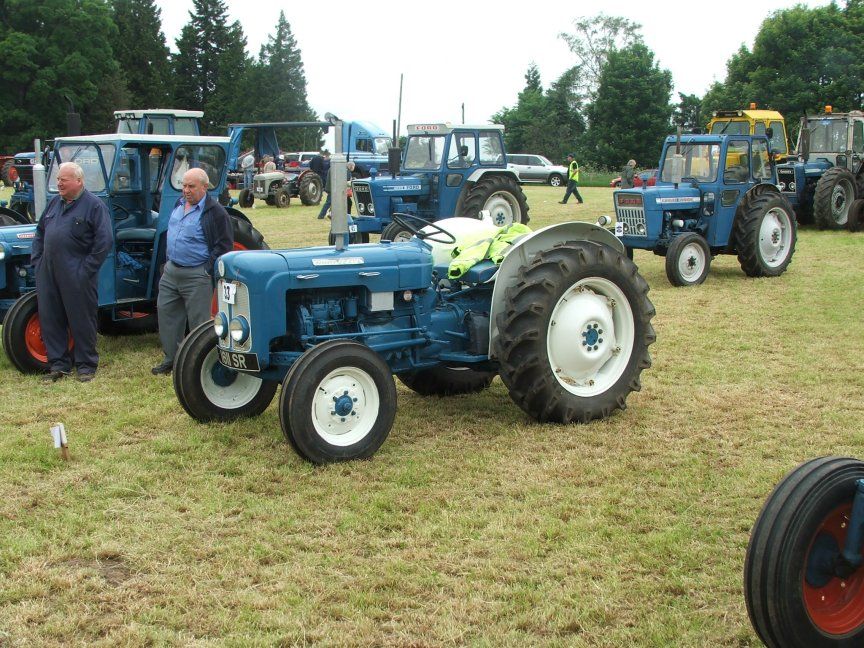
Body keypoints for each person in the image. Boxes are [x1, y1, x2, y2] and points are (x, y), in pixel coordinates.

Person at [32, 162, 112, 382]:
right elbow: (40, 233)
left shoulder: (94, 206)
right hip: (48, 273)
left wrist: (84, 270)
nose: (59, 183)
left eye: (63, 179)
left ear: (78, 181)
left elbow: (104, 241)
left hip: (76, 274)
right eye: (58, 179)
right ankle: (58, 365)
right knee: (51, 318)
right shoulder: (53, 205)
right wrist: (38, 261)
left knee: (81, 319)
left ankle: (86, 366)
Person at [151, 168, 233, 375]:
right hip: (172, 271)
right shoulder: (179, 204)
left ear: (205, 187)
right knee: (167, 315)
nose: (186, 190)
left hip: (196, 274)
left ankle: (198, 366)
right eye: (184, 186)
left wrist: (206, 270)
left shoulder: (216, 213)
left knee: (199, 323)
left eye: (191, 186)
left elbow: (224, 245)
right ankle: (172, 360)